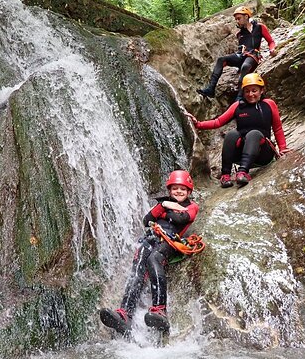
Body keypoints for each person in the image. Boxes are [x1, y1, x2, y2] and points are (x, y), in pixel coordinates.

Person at [99, 170, 199, 335]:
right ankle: (125, 314)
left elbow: (181, 219)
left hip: (169, 241)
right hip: (151, 237)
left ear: (189, 191)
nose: (179, 192)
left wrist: (164, 209)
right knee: (138, 268)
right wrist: (164, 205)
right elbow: (147, 220)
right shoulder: (164, 203)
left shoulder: (192, 206)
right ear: (170, 190)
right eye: (175, 189)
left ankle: (160, 309)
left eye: (183, 189)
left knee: (154, 260)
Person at [186, 73, 291, 187]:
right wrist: (198, 124)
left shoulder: (269, 104)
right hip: (241, 154)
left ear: (261, 90)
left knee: (254, 134)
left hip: (263, 154)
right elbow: (218, 122)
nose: (250, 94)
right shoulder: (238, 106)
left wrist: (282, 148)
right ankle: (225, 175)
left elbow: (278, 128)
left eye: (254, 90)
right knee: (232, 134)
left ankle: (242, 172)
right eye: (247, 91)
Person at [197, 6, 276, 101]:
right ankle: (211, 89)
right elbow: (241, 50)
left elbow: (271, 42)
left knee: (245, 66)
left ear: (246, 16)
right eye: (236, 19)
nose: (237, 21)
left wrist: (272, 49)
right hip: (242, 55)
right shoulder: (240, 34)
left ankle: (239, 96)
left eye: (239, 18)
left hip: (253, 55)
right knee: (221, 59)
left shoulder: (259, 27)